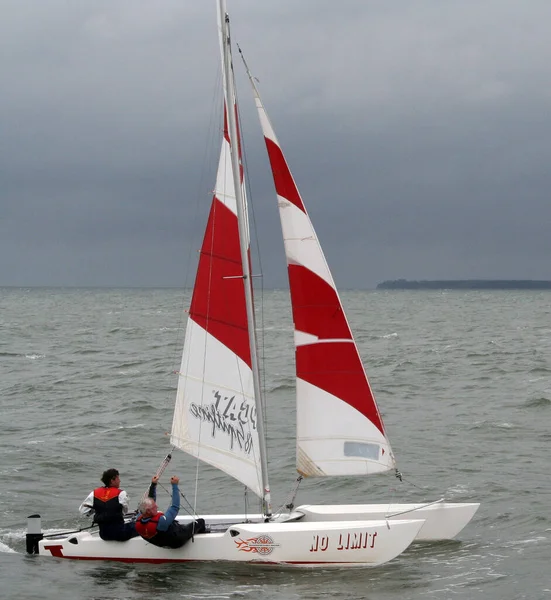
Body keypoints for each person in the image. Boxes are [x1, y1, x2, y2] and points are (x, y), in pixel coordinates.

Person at [135, 475, 206, 548]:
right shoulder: (161, 522)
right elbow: (175, 507)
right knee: (200, 522)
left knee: (172, 524)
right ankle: (203, 539)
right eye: (154, 507)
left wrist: (153, 485)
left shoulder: (138, 518)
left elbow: (151, 500)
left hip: (159, 543)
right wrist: (175, 485)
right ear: (148, 511)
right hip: (176, 542)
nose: (157, 506)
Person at [79, 468, 138, 541]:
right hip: (120, 534)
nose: (120, 481)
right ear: (112, 480)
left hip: (104, 535)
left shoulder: (94, 493)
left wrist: (97, 507)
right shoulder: (121, 493)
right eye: (118, 478)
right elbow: (124, 512)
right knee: (141, 525)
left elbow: (83, 511)